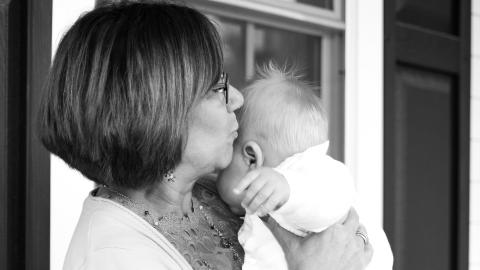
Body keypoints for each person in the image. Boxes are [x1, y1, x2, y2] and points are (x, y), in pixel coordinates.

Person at [38, 2, 372, 270]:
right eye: (218, 88)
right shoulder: (115, 257)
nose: (238, 99)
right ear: (161, 116)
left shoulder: (213, 190)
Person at [216, 64, 393, 270]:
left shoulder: (311, 180)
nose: (219, 168)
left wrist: (288, 191)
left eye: (227, 157)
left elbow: (332, 198)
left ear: (252, 158)